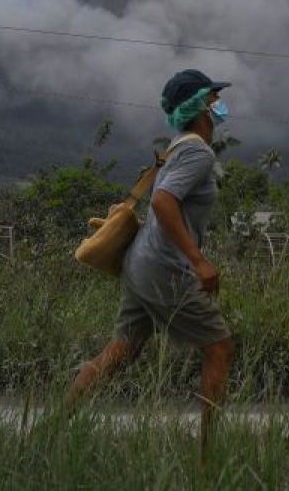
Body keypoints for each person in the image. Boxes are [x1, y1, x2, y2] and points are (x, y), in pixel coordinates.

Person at [65, 69, 235, 456]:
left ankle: (49, 432)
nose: (219, 106)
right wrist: (199, 261)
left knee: (120, 350)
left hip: (138, 263)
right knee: (220, 348)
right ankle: (208, 458)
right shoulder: (197, 152)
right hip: (163, 268)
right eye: (213, 99)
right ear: (201, 108)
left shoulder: (177, 148)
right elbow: (162, 202)